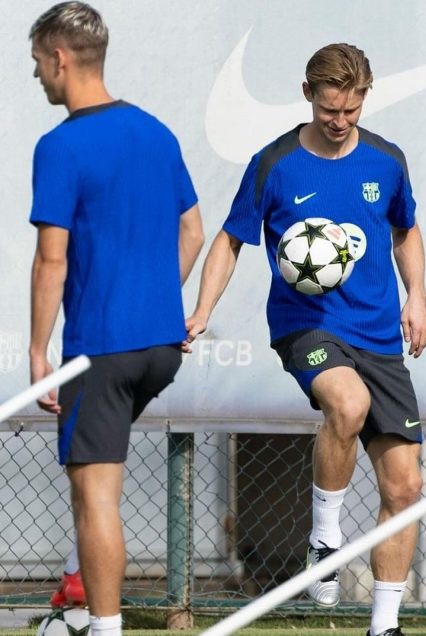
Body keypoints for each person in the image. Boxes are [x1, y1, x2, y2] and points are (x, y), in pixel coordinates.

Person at [185, 43, 426, 636]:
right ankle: (324, 538)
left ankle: (384, 625)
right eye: (329, 111)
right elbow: (229, 241)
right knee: (348, 403)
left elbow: (406, 230)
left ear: (364, 99)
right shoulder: (274, 164)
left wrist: (416, 295)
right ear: (307, 96)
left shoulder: (386, 160)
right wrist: (201, 309)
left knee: (406, 486)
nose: (340, 122)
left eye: (350, 111)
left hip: (378, 337)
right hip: (307, 327)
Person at [28, 3, 204, 634]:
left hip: (99, 349)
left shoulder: (61, 145)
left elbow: (52, 258)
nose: (38, 80)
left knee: (96, 494)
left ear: (60, 58)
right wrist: (158, 299)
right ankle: (80, 612)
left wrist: (39, 353)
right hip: (157, 348)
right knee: (93, 486)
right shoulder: (156, 131)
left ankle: (103, 627)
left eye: (37, 65)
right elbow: (193, 229)